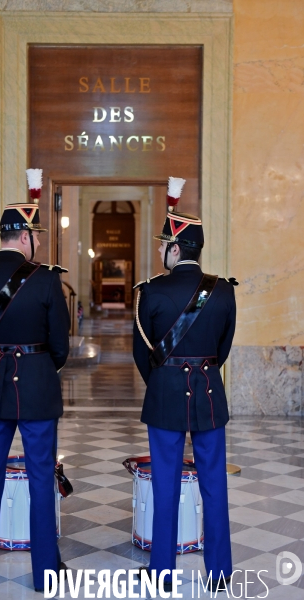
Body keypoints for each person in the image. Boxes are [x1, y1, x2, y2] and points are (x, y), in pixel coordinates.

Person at [0, 169, 70, 594]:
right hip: (38, 386)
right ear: (25, 237)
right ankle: (44, 574)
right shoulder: (45, 279)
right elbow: (61, 345)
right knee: (41, 478)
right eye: (34, 236)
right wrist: (40, 366)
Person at [133, 177, 237, 593]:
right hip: (210, 393)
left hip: (165, 395)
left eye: (163, 246)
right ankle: (219, 572)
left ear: (176, 248)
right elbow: (222, 348)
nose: (160, 252)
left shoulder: (150, 292)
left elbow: (144, 357)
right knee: (214, 484)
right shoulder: (225, 292)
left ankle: (162, 572)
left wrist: (165, 382)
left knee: (165, 484)